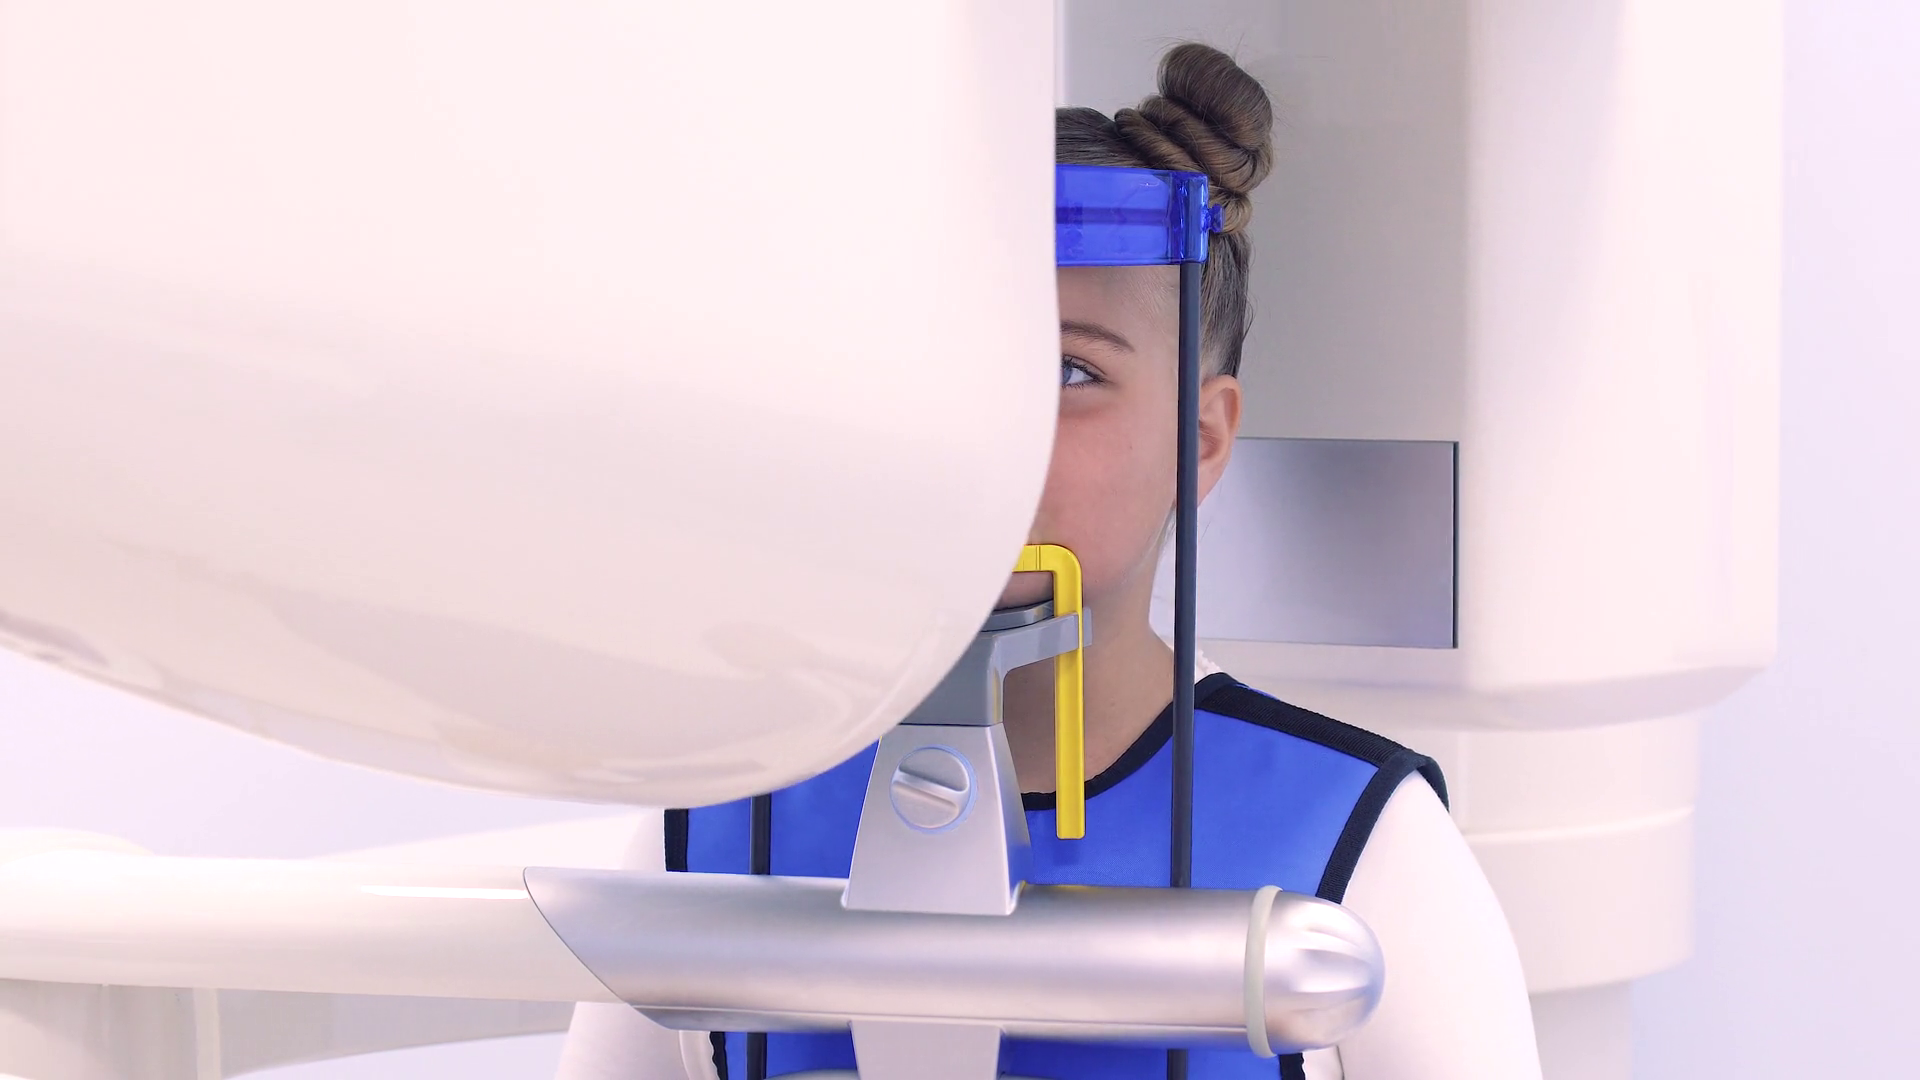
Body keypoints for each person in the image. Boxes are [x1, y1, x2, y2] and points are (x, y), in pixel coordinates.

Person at [557, 42, 1541, 1080]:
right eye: (946, 363)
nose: (994, 427)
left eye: (1070, 371)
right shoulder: (721, 819)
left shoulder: (1361, 843)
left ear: (1201, 438)